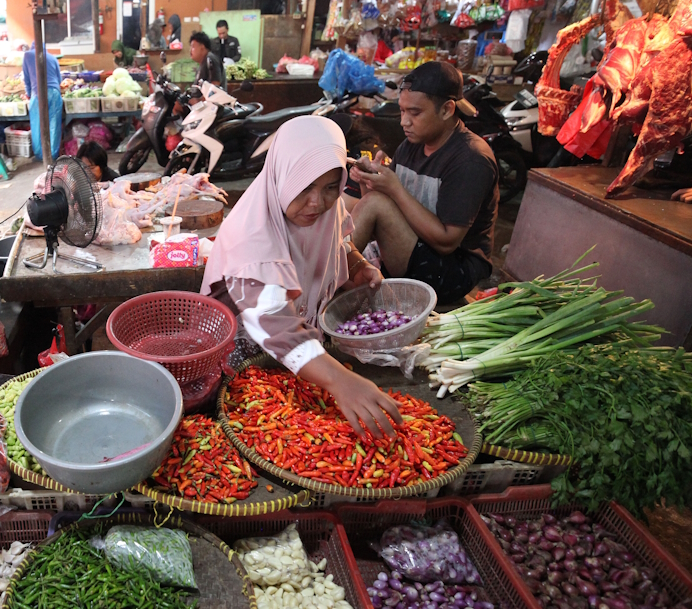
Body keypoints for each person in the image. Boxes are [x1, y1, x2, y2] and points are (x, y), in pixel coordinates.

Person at [202, 116, 402, 440]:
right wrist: (340, 380)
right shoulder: (251, 236)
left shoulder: (326, 210)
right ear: (282, 174)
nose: (316, 203)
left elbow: (341, 240)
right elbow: (274, 324)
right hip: (243, 357)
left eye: (329, 188)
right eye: (304, 186)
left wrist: (357, 265)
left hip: (299, 357)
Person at [348, 61, 497, 304]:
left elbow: (447, 242)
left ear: (447, 110)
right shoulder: (410, 146)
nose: (403, 122)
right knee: (359, 206)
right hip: (415, 247)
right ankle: (326, 281)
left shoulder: (471, 159)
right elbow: (382, 207)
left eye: (414, 113)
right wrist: (369, 180)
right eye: (403, 111)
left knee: (374, 205)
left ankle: (325, 287)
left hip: (453, 269)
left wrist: (393, 189)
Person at [23, 44, 63, 161]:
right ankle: (53, 155)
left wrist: (29, 94)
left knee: (37, 125)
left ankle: (40, 155)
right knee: (54, 124)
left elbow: (27, 79)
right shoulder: (52, 57)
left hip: (38, 93)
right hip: (54, 93)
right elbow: (59, 79)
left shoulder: (27, 56)